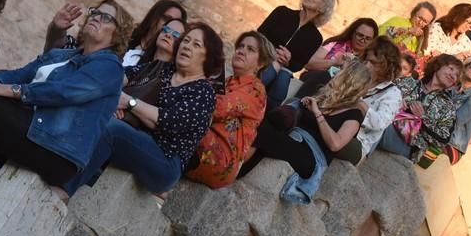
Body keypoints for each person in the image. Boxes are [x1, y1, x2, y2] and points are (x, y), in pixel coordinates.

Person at [0, 0, 134, 208]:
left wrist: (8, 90)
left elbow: (64, 92)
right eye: (95, 11)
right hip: (28, 130)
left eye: (106, 17)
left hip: (57, 150)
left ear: (118, 33)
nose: (96, 17)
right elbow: (20, 74)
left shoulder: (110, 68)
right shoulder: (61, 55)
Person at [61, 23, 222, 196]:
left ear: (208, 57)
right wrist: (114, 98)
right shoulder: (162, 69)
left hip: (165, 161)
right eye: (186, 41)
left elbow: (165, 121)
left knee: (112, 130)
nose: (186, 46)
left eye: (196, 45)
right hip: (135, 137)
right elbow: (118, 76)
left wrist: (129, 102)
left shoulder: (203, 92)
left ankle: (64, 190)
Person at [240, 61, 370, 204]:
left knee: (264, 133)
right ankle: (238, 171)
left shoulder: (355, 113)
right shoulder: (326, 95)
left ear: (348, 78)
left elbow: (335, 144)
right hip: (295, 138)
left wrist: (317, 114)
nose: (336, 72)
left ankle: (233, 172)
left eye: (341, 70)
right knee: (264, 129)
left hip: (312, 157)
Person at [186, 31, 274, 188]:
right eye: (240, 46)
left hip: (218, 160)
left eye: (250, 49)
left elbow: (216, 107)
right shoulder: (227, 81)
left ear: (260, 63)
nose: (241, 51)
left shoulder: (255, 91)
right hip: (200, 141)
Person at [44, 0, 187, 67]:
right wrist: (57, 29)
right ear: (154, 16)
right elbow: (60, 50)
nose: (170, 27)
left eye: (175, 28)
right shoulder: (123, 35)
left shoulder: (159, 62)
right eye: (166, 19)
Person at [257, 0, 335, 109]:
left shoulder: (315, 38)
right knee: (274, 73)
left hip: (284, 69)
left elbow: (298, 65)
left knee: (282, 79)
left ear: (323, 8)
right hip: (262, 57)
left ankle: (265, 117)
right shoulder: (282, 12)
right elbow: (259, 35)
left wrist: (288, 61)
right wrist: (273, 53)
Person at [377, 54, 461, 163]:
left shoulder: (448, 107)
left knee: (379, 127)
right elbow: (378, 93)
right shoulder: (407, 82)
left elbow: (443, 140)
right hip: (384, 122)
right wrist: (395, 99)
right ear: (438, 66)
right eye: (451, 69)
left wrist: (423, 118)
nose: (453, 75)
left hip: (410, 145)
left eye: (456, 75)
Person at [354, 37, 403, 159]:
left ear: (387, 66)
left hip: (358, 141)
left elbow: (380, 123)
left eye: (374, 63)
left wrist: (359, 103)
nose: (368, 66)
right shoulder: (359, 76)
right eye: (367, 60)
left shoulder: (393, 94)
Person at [302, 18, 378, 76]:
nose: (362, 40)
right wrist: (334, 62)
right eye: (360, 35)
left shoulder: (369, 60)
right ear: (352, 32)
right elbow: (309, 64)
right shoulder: (334, 44)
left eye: (368, 38)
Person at [446, 55, 471, 163]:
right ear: (465, 67)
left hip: (453, 145)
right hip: (436, 133)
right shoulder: (452, 86)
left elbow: (452, 121)